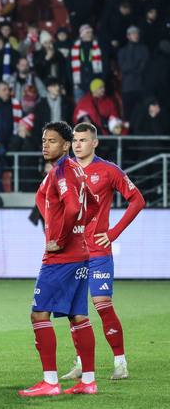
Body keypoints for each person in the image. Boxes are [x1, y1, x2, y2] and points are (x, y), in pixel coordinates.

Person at [18, 121, 98, 397]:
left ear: (65, 146)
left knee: (39, 313)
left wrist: (61, 239)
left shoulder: (63, 170)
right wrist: (77, 231)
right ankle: (88, 381)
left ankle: (50, 382)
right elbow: (93, 204)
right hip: (81, 252)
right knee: (78, 316)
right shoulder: (76, 170)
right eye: (44, 140)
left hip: (61, 257)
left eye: (52, 141)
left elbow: (74, 207)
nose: (45, 145)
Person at [62, 123, 145, 381]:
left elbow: (138, 200)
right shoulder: (63, 171)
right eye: (75, 140)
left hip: (98, 250)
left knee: (102, 305)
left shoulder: (108, 170)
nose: (77, 145)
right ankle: (81, 363)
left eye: (83, 140)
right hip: (71, 252)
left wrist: (113, 233)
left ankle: (120, 363)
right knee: (74, 311)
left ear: (95, 142)